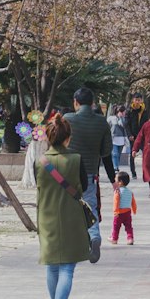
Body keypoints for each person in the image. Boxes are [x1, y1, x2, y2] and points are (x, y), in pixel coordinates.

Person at [35, 110, 91, 299]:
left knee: (52, 267)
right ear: (68, 137)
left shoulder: (40, 162)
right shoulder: (76, 160)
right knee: (67, 268)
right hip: (72, 218)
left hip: (47, 217)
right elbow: (84, 187)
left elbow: (37, 184)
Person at [64, 87, 115, 262]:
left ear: (75, 102)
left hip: (68, 173)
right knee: (89, 207)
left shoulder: (67, 119)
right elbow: (107, 151)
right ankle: (94, 236)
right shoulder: (102, 122)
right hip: (90, 173)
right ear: (93, 103)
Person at [110, 170, 136, 246]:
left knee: (116, 226)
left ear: (120, 182)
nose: (115, 181)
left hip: (119, 212)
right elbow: (133, 202)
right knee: (128, 227)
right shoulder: (130, 192)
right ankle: (130, 238)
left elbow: (116, 202)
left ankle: (114, 239)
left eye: (116, 180)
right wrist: (134, 210)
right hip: (128, 212)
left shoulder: (117, 191)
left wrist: (115, 212)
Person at [108, 105, 129, 175]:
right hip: (113, 139)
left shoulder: (124, 119)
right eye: (122, 112)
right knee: (114, 154)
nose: (123, 113)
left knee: (119, 154)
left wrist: (121, 118)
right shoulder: (111, 118)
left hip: (121, 139)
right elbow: (108, 126)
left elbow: (124, 126)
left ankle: (116, 166)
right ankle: (115, 167)